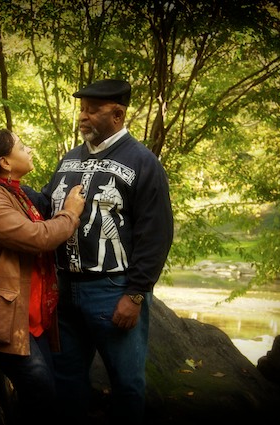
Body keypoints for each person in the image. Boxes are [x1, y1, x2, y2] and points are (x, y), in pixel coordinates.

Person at [40, 79, 174, 423]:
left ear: (118, 114)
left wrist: (136, 294)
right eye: (82, 109)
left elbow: (156, 235)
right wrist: (1, 186)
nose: (82, 116)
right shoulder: (69, 159)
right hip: (64, 290)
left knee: (126, 384)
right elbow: (44, 204)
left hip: (112, 291)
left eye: (92, 110)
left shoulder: (142, 162)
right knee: (66, 379)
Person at [0, 129, 85, 424]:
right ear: (4, 162)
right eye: (22, 147)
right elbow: (38, 237)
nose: (29, 150)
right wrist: (70, 213)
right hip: (4, 316)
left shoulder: (16, 193)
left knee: (41, 392)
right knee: (40, 389)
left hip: (30, 315)